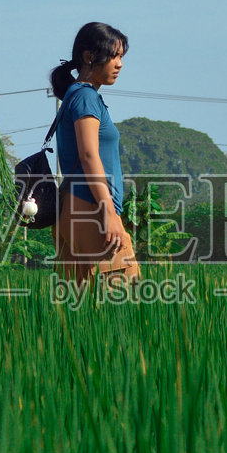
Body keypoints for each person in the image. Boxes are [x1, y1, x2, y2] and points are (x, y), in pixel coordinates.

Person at [50, 21, 141, 285]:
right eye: (114, 56)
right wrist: (109, 212)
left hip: (75, 206)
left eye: (121, 56)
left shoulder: (75, 95)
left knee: (78, 304)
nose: (120, 64)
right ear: (89, 57)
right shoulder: (86, 97)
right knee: (120, 298)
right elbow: (89, 155)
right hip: (91, 208)